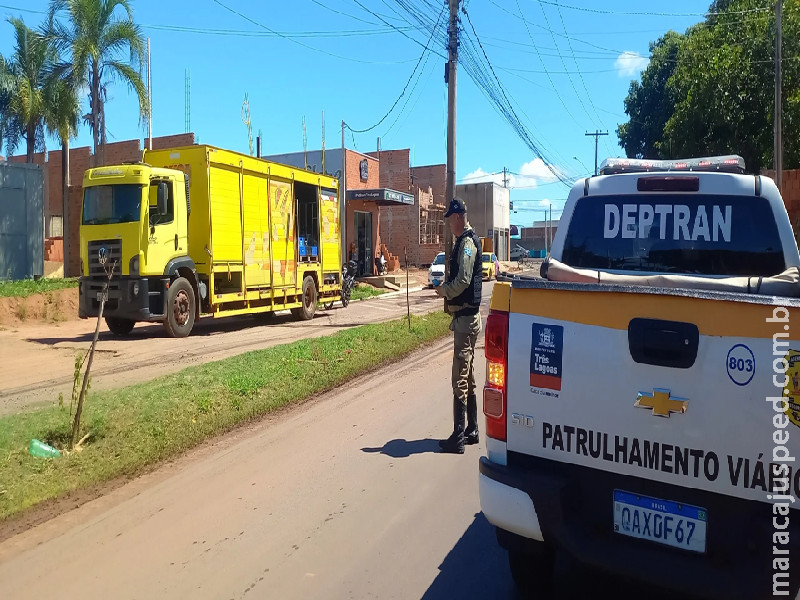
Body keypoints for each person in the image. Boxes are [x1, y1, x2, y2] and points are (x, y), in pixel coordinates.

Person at [434, 197, 483, 454]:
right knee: (469, 374)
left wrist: (444, 291)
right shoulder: (466, 241)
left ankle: (459, 437)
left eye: (450, 220)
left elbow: (463, 280)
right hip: (467, 317)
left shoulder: (466, 244)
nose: (449, 225)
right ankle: (472, 429)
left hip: (465, 319)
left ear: (457, 218)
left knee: (459, 378)